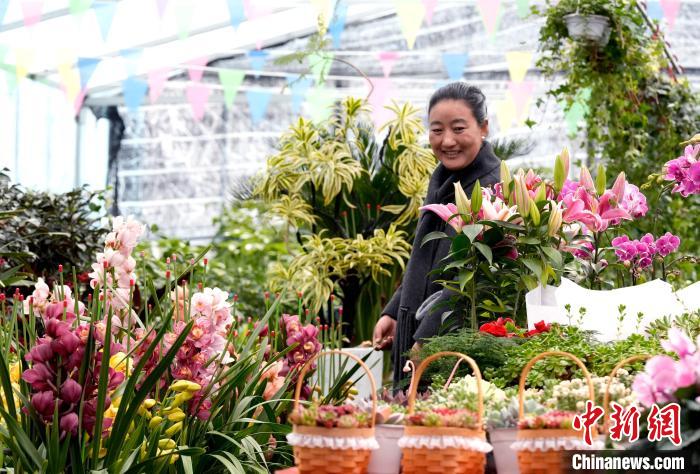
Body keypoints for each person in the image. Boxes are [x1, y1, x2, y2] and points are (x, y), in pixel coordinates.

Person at [372, 82, 502, 389]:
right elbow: (426, 259)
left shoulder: (490, 186)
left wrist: (427, 339)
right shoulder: (445, 179)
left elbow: (472, 276)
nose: (447, 141)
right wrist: (394, 311)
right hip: (426, 330)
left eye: (458, 128)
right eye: (436, 130)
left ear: (483, 128)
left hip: (461, 343)